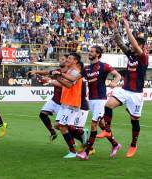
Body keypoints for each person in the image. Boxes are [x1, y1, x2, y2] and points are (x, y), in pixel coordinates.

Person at [57, 45, 122, 160]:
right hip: (91, 100)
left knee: (93, 125)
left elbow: (118, 75)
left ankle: (86, 152)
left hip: (100, 100)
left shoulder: (104, 66)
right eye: (89, 51)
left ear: (98, 54)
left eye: (92, 52)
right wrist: (59, 74)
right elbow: (72, 79)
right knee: (102, 125)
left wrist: (114, 82)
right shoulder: (86, 68)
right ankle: (115, 144)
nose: (89, 53)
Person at [96, 19, 149, 158]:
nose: (130, 47)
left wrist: (127, 27)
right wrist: (115, 29)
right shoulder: (130, 54)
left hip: (136, 94)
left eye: (134, 45)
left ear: (141, 46)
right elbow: (120, 43)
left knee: (134, 120)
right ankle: (107, 130)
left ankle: (133, 144)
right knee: (108, 105)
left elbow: (133, 44)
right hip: (124, 90)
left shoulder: (143, 57)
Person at [26, 55, 69, 142]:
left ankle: (80, 134)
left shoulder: (70, 73)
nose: (60, 60)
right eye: (60, 58)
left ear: (67, 61)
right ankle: (52, 132)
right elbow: (47, 72)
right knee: (42, 114)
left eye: (63, 59)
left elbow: (63, 85)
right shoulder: (57, 71)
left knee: (62, 126)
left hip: (64, 103)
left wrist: (49, 81)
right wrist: (36, 72)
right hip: (54, 100)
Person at [52, 53, 84, 158]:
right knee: (58, 125)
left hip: (72, 103)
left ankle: (73, 150)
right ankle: (81, 133)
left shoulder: (75, 72)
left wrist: (58, 76)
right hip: (65, 102)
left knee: (62, 126)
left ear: (75, 61)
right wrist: (54, 79)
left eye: (69, 58)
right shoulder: (69, 71)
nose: (67, 60)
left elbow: (69, 85)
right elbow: (63, 83)